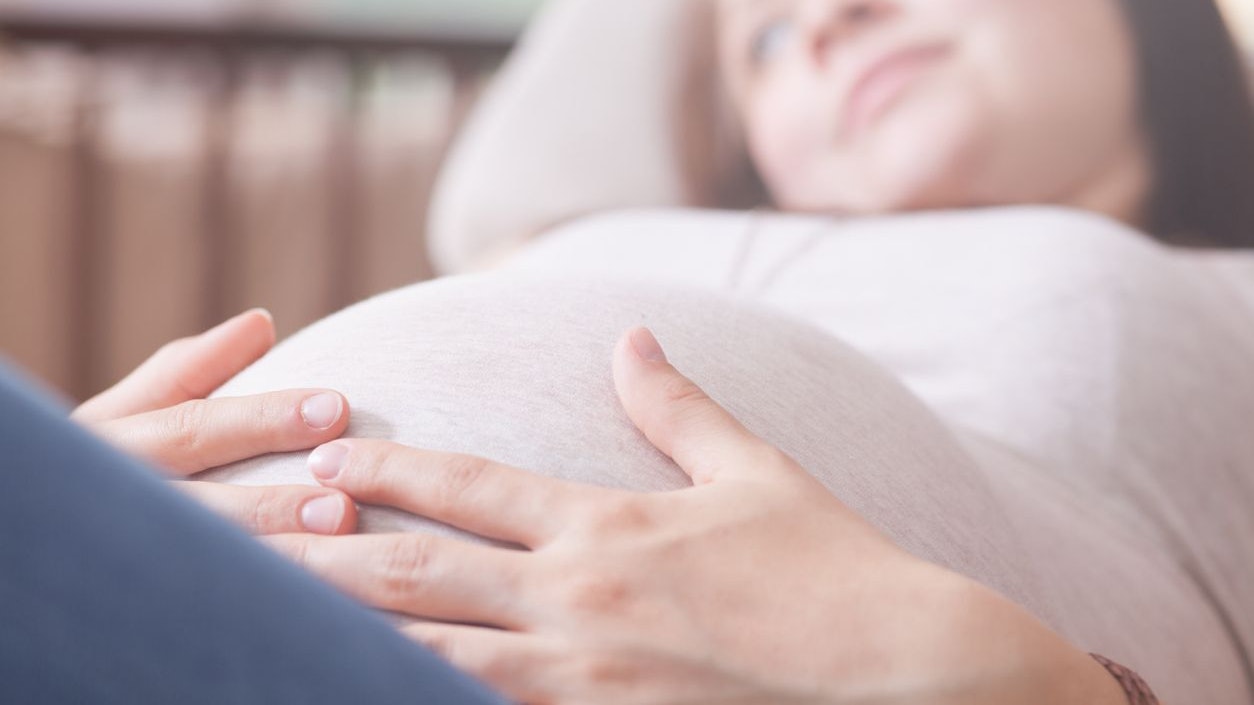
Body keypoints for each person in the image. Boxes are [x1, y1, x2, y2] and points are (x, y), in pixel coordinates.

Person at [47, 0, 1254, 702]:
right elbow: (511, 179)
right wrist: (64, 524)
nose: (829, 19)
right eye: (765, 45)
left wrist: (1015, 684)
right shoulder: (584, 233)